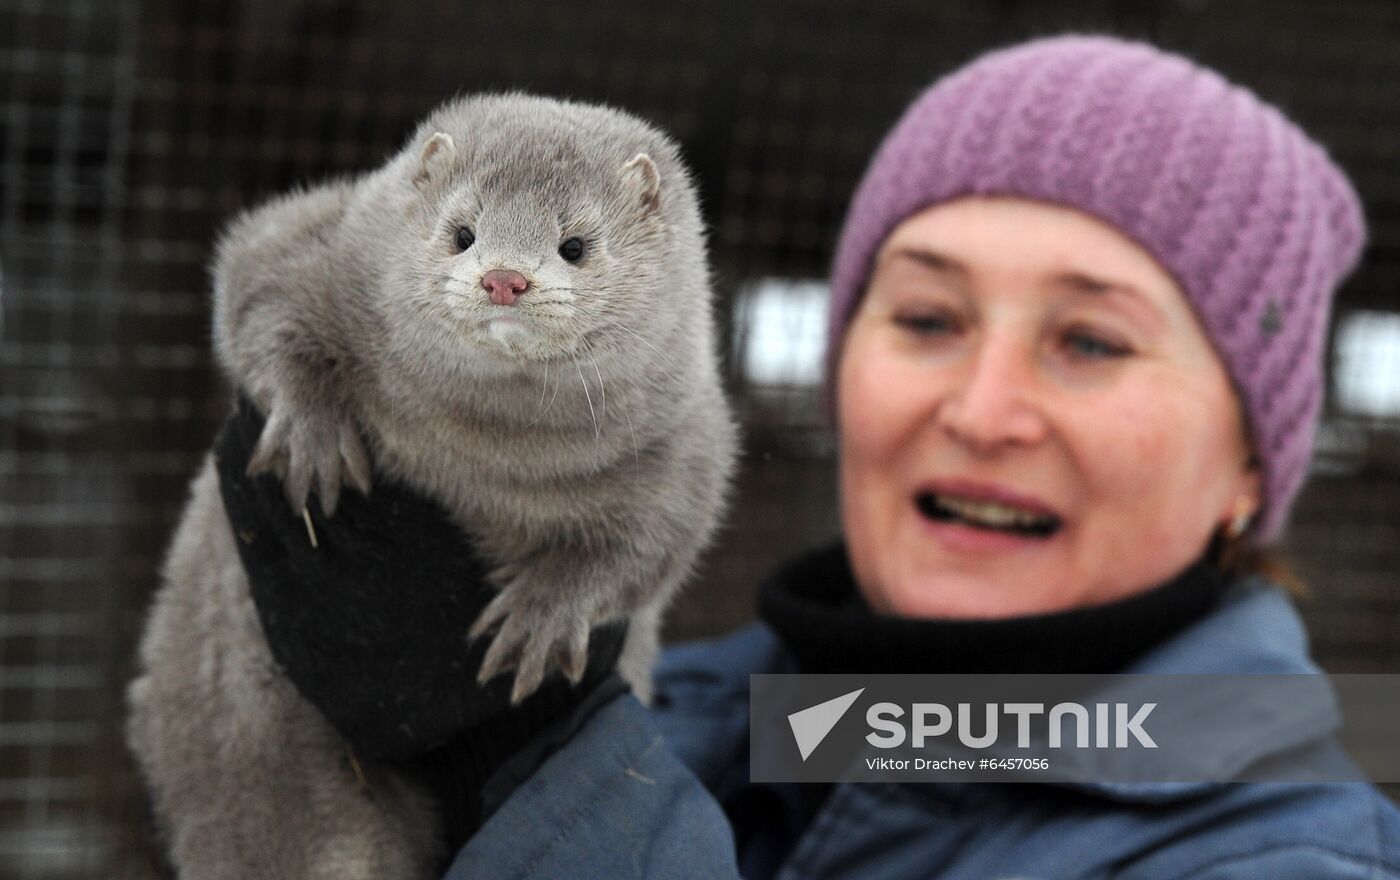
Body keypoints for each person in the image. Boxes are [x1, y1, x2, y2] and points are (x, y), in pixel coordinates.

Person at [223, 33, 1400, 879]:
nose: (983, 410)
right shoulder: (736, 722)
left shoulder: (1284, 852)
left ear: (1252, 463)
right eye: (927, 320)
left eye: (1090, 340)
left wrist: (524, 772)